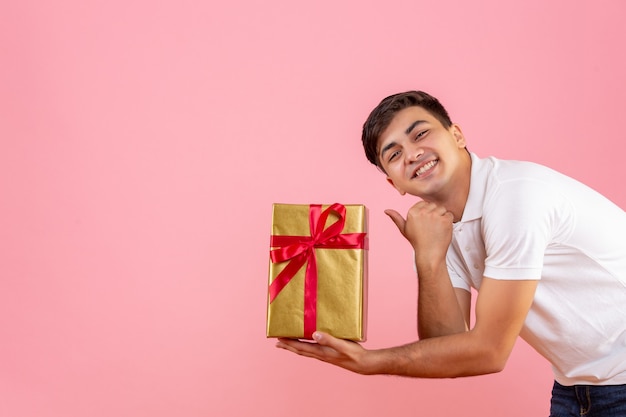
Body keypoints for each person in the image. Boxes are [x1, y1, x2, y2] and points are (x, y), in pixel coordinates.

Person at [276, 91, 626, 416]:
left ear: (457, 135)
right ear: (393, 183)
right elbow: (446, 346)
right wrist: (428, 258)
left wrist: (371, 362)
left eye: (421, 134)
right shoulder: (439, 224)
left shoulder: (515, 197)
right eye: (394, 154)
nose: (412, 154)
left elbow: (489, 352)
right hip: (578, 386)